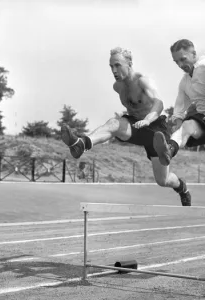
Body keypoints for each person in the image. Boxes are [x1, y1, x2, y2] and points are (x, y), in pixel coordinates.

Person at [61, 47, 191, 206]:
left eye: (117, 65)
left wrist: (148, 120)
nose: (113, 70)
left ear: (129, 63)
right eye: (111, 66)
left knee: (163, 180)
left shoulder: (143, 81)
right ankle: (81, 144)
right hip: (136, 125)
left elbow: (158, 103)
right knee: (113, 123)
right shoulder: (118, 87)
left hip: (156, 129)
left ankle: (182, 188)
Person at [153, 39, 205, 168]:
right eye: (176, 62)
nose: (180, 65)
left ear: (194, 54)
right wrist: (177, 124)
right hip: (203, 119)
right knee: (187, 125)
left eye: (183, 59)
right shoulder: (184, 83)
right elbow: (179, 109)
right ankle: (169, 150)